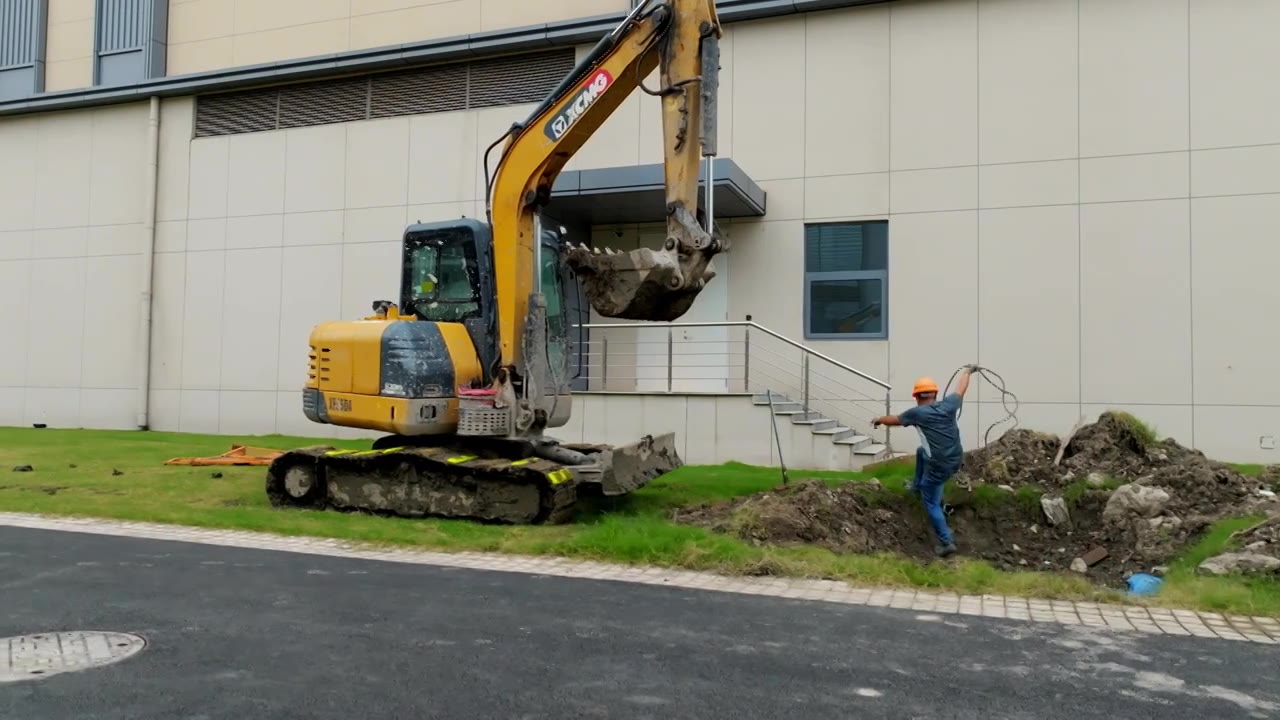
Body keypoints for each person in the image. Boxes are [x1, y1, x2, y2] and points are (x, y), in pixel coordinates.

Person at [872, 365, 977, 558]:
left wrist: (879, 419)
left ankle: (946, 542)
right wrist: (968, 372)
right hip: (955, 459)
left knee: (931, 502)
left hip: (938, 466)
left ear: (917, 397)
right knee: (921, 451)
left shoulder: (917, 413)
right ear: (935, 394)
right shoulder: (949, 405)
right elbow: (961, 388)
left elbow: (894, 419)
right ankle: (915, 485)